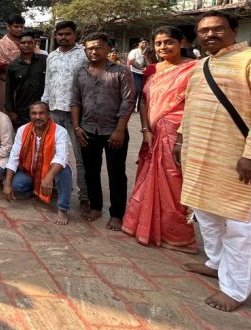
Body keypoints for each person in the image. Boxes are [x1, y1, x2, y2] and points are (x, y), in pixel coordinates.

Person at [177, 11, 251, 312]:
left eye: (217, 29)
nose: (210, 35)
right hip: (199, 156)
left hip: (236, 158)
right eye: (203, 31)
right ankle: (215, 262)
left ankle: (234, 289)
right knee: (207, 215)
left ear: (234, 29)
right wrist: (181, 138)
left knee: (239, 224)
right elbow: (191, 109)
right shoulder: (201, 67)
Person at [123, 26, 198, 252]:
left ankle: (177, 236)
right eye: (159, 43)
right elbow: (143, 100)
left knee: (174, 184)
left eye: (169, 42)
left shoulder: (194, 69)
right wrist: (146, 130)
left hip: (176, 134)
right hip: (152, 134)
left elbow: (194, 104)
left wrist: (181, 137)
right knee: (147, 179)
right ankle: (143, 226)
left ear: (182, 42)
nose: (163, 47)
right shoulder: (153, 70)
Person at [70, 32, 136, 231]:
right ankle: (96, 206)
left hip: (114, 131)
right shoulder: (80, 72)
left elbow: (128, 102)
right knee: (91, 171)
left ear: (108, 48)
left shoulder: (121, 71)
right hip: (88, 129)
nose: (94, 51)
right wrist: (77, 127)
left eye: (98, 47)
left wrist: (120, 129)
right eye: (89, 48)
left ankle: (117, 214)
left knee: (116, 173)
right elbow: (75, 101)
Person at [41, 21, 88, 211]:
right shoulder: (51, 56)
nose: (63, 37)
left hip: (76, 113)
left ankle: (84, 195)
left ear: (75, 34)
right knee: (52, 152)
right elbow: (48, 83)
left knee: (79, 156)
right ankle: (52, 187)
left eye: (67, 34)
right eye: (60, 34)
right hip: (53, 111)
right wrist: (44, 106)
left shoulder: (84, 54)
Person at [2, 101, 74, 225]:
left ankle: (62, 209)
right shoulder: (22, 130)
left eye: (41, 113)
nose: (37, 117)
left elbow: (61, 157)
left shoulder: (60, 131)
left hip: (51, 171)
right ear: (30, 115)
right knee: (14, 186)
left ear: (48, 115)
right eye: (34, 113)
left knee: (65, 171)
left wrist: (49, 177)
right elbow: (13, 157)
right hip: (30, 171)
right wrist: (7, 183)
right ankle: (38, 189)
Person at [4, 31, 47, 127]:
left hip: (43, 110)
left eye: (30, 42)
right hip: (22, 112)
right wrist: (11, 112)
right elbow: (9, 91)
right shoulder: (12, 66)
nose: (26, 45)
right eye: (23, 43)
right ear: (18, 45)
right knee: (25, 139)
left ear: (35, 44)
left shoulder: (45, 61)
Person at [0, 14, 25, 109]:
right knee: (3, 117)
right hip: (4, 86)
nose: (19, 29)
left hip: (24, 88)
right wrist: (22, 60)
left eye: (21, 27)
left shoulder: (29, 43)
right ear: (8, 27)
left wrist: (12, 62)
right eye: (16, 26)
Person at [127, 38, 149, 103]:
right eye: (143, 42)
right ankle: (132, 104)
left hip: (143, 73)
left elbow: (148, 64)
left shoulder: (146, 53)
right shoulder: (134, 51)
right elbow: (131, 61)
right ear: (139, 43)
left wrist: (146, 56)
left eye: (146, 43)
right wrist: (139, 68)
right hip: (134, 72)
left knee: (143, 90)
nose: (145, 44)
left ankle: (139, 106)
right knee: (137, 89)